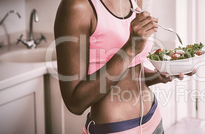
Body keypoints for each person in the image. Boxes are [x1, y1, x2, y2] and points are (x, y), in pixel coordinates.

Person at [54, 0, 195, 133]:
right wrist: (130, 49)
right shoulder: (77, 6)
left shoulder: (133, 2)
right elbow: (75, 102)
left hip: (154, 120)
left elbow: (129, 74)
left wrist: (160, 75)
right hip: (116, 129)